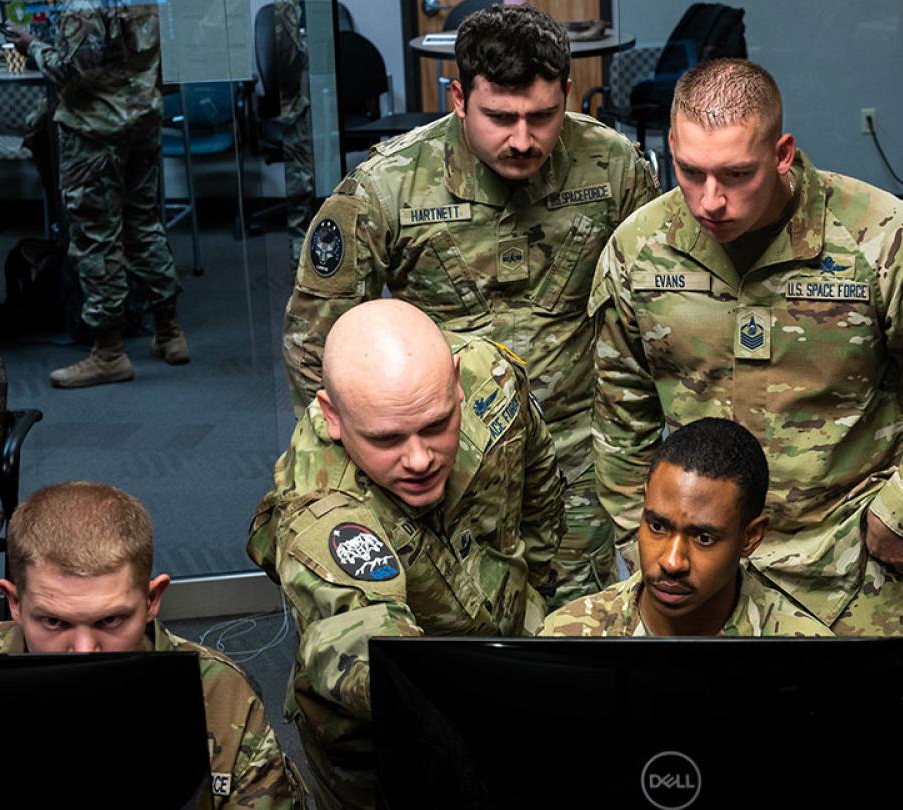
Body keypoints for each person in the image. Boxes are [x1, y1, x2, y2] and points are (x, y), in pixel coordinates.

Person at [591, 58, 903, 636]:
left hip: (843, 563)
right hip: (696, 569)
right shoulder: (638, 249)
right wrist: (644, 546)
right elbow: (620, 411)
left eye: (736, 175)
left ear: (782, 154)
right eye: (690, 172)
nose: (710, 200)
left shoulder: (882, 239)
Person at [282, 4, 658, 608]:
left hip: (574, 459)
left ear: (568, 92)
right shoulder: (389, 185)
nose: (522, 138)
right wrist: (374, 459)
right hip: (441, 460)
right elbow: (313, 343)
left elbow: (650, 314)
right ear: (458, 98)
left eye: (543, 115)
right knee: (457, 638)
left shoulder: (613, 167)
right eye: (500, 117)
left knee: (575, 629)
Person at [248, 299, 565, 809]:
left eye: (437, 425)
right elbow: (366, 638)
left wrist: (543, 589)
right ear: (332, 416)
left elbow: (539, 479)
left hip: (504, 653)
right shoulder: (321, 499)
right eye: (387, 439)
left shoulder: (491, 376)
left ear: (457, 382)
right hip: (382, 735)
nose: (419, 459)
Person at [0, 482, 304, 808]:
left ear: (152, 600)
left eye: (109, 621)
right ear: (15, 602)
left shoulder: (216, 692)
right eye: (54, 622)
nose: (83, 650)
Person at [6, 1, 189, 388]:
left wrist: (31, 46)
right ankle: (170, 333)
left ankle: (109, 354)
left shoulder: (82, 6)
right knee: (143, 224)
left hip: (94, 133)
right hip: (140, 121)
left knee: (95, 238)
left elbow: (72, 71)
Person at [541, 417, 831, 637]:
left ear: (751, 537)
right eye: (657, 526)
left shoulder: (808, 655)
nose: (671, 561)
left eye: (704, 538)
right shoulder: (571, 635)